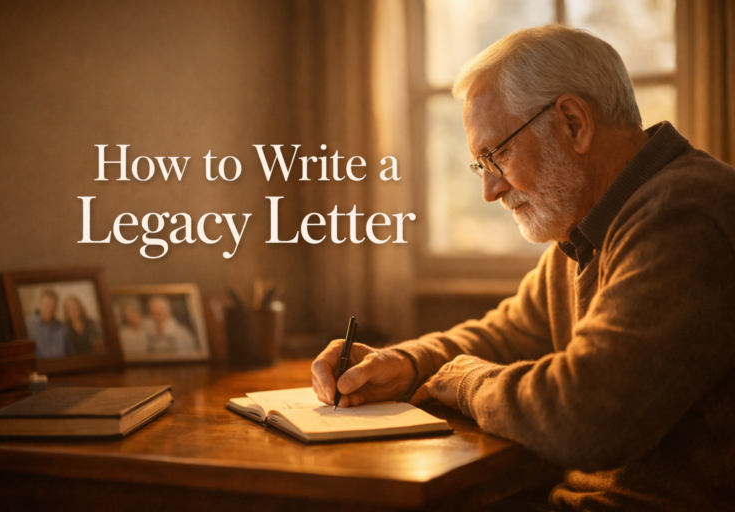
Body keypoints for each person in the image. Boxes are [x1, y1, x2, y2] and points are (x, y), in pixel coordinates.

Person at [312, 25, 735, 511]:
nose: (490, 190)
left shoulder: (684, 215)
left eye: (498, 154)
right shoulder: (588, 230)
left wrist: (470, 383)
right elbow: (506, 334)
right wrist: (406, 363)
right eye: (481, 164)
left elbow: (589, 415)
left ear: (573, 123)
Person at [25, 289, 67, 359]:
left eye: (52, 306)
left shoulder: (62, 327)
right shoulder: (28, 326)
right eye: (46, 305)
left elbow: (71, 354)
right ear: (39, 305)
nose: (49, 310)